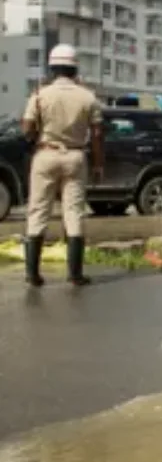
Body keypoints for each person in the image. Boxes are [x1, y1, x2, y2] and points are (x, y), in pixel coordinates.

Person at [21, 44, 104, 287]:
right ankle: (75, 274)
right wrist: (98, 165)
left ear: (52, 68)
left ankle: (32, 273)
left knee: (38, 211)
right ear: (74, 69)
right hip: (76, 157)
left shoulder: (40, 95)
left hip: (46, 154)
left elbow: (27, 130)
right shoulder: (88, 97)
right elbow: (98, 134)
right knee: (74, 212)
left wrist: (36, 127)